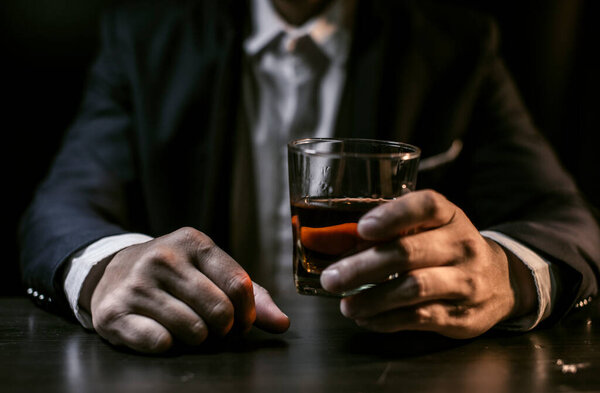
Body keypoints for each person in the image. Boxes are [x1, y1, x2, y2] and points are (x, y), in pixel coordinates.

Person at [19, 0, 600, 353]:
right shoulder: (145, 37)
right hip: (198, 366)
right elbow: (59, 206)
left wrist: (502, 273)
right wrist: (110, 265)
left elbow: (569, 220)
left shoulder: (454, 44)